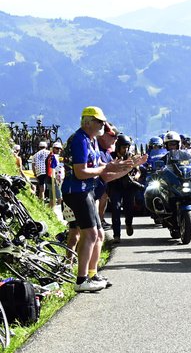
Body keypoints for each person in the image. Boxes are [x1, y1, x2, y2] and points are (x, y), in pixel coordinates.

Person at [61, 106, 136, 292]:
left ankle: (91, 274)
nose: (103, 125)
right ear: (87, 122)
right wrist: (105, 169)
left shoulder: (91, 139)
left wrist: (122, 165)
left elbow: (100, 165)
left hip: (87, 190)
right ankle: (81, 280)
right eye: (99, 121)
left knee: (97, 234)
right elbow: (80, 172)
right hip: (77, 191)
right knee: (90, 234)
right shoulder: (79, 139)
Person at [107, 134, 143, 243]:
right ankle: (116, 235)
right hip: (115, 186)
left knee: (129, 209)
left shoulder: (131, 156)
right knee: (116, 209)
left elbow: (138, 170)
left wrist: (135, 177)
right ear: (118, 146)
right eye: (123, 147)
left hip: (128, 187)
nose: (125, 149)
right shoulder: (111, 156)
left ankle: (128, 224)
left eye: (127, 147)